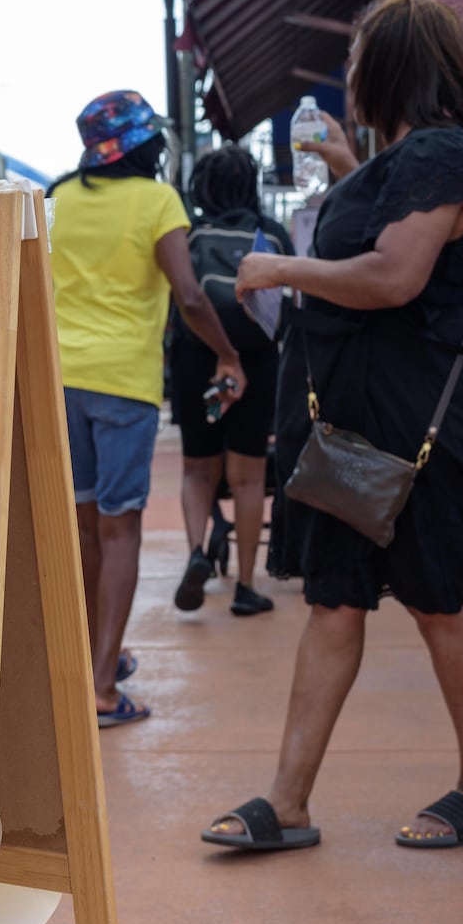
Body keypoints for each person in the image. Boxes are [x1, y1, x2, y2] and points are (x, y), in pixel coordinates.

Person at [203, 0, 463, 852]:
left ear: (394, 65)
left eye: (362, 56)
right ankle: (287, 804)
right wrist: (347, 161)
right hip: (353, 434)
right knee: (333, 603)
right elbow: (382, 247)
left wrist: (279, 267)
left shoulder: (448, 155)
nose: (352, 72)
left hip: (417, 429)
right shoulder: (404, 161)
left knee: (439, 604)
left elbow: (396, 277)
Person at [48, 90, 246, 728]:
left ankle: (93, 658)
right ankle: (102, 689)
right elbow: (188, 296)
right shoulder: (159, 201)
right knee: (120, 530)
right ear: (147, 147)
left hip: (60, 380)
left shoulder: (58, 198)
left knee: (83, 531)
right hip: (123, 386)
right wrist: (228, 355)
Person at [170, 146, 293, 616]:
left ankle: (197, 552)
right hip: (257, 363)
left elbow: (179, 299)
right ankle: (245, 585)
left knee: (197, 469)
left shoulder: (192, 234)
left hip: (196, 359)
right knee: (249, 476)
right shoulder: (272, 234)